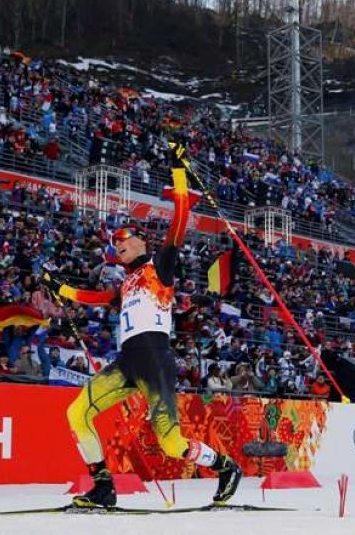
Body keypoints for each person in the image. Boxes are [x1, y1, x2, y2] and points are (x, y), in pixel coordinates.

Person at [44, 145, 241, 508]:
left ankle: (225, 466)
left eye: (121, 239)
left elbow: (180, 216)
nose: (115, 245)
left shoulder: (160, 267)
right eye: (112, 243)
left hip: (155, 360)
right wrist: (60, 288)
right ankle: (103, 486)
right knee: (76, 413)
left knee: (171, 442)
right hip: (127, 362)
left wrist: (177, 170)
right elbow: (94, 298)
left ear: (139, 241)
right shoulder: (124, 284)